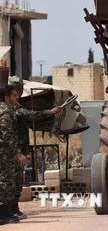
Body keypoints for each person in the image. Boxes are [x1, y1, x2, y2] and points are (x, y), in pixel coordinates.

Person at [7, 76, 61, 220]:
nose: (19, 92)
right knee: (14, 180)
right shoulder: (12, 108)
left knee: (16, 180)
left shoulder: (13, 105)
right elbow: (29, 115)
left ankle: (13, 209)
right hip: (14, 149)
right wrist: (49, 112)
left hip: (15, 148)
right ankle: (10, 209)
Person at [0, 85, 24, 225]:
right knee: (5, 182)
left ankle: (6, 212)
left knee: (7, 181)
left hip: (5, 151)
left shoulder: (6, 110)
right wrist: (17, 153)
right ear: (7, 98)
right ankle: (2, 215)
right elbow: (7, 135)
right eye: (14, 95)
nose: (17, 98)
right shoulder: (5, 113)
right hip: (4, 152)